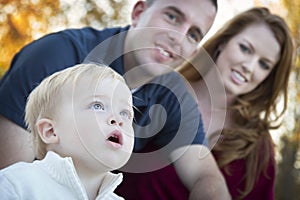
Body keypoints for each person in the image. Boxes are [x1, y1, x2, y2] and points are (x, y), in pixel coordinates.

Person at [0, 0, 231, 199]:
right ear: (138, 12)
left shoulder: (174, 94)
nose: (178, 38)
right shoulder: (58, 55)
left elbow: (205, 176)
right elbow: (9, 170)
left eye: (193, 34)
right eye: (172, 16)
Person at [174, 7, 294, 199]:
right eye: (245, 49)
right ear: (223, 42)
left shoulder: (257, 148)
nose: (249, 66)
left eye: (264, 64)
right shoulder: (162, 90)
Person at [0, 63, 135, 199]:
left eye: (125, 113)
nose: (118, 120)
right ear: (51, 131)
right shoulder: (16, 184)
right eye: (98, 105)